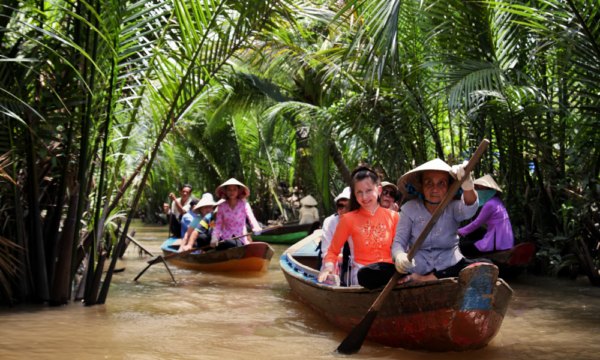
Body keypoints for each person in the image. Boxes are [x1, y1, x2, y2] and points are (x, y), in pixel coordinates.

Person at [389, 159, 491, 285]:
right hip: (417, 266)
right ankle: (422, 276)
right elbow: (399, 242)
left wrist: (467, 184)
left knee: (487, 265)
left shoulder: (453, 206)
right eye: (429, 182)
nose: (435, 189)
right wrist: (399, 255)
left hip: (449, 265)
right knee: (368, 273)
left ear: (449, 187)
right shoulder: (410, 209)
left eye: (441, 183)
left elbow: (469, 209)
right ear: (421, 185)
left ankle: (427, 279)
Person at [317, 166, 399, 287]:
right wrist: (329, 266)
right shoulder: (348, 219)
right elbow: (332, 251)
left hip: (390, 271)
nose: (364, 197)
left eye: (368, 190)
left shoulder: (394, 216)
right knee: (366, 274)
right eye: (359, 192)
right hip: (364, 275)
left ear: (379, 191)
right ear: (354, 195)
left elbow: (402, 248)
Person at [458, 175, 514, 256]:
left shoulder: (490, 204)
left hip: (498, 244)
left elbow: (477, 223)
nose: (477, 189)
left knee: (461, 248)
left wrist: (459, 232)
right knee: (475, 232)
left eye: (479, 187)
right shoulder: (497, 200)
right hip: (505, 241)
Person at [211, 178, 262, 250]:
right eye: (229, 189)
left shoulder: (244, 205)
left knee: (229, 243)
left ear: (238, 191)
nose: (232, 191)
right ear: (226, 191)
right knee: (218, 243)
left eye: (234, 189)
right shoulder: (221, 206)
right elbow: (218, 224)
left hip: (240, 238)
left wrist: (256, 227)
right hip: (225, 237)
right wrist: (215, 236)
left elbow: (251, 218)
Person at [319, 187, 351, 270]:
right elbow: (326, 251)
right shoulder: (329, 222)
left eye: (347, 206)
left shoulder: (360, 222)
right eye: (340, 206)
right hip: (333, 262)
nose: (343, 209)